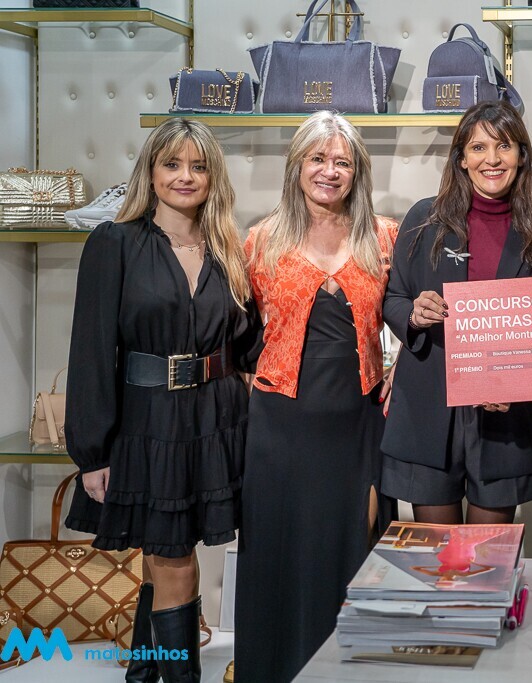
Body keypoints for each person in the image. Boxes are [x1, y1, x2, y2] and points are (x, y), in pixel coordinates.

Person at [64, 117, 258, 683]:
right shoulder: (115, 243)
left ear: (213, 176)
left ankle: (144, 674)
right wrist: (92, 452)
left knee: (163, 554)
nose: (185, 176)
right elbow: (91, 351)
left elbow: (248, 343)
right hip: (150, 424)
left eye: (198, 166)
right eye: (171, 164)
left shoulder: (228, 247)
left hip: (219, 420)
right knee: (174, 559)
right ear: (149, 173)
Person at [234, 111, 398, 683]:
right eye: (318, 159)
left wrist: (401, 368)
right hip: (279, 428)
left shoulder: (384, 237)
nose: (330, 171)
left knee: (351, 553)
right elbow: (236, 334)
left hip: (357, 425)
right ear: (297, 165)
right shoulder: (259, 241)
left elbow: (411, 314)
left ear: (358, 171)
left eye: (342, 162)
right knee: (279, 556)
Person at [381, 100, 532, 526]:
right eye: (478, 148)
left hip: (504, 416)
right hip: (429, 405)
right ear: (461, 158)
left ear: (521, 156)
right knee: (437, 555)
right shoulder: (424, 219)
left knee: (488, 558)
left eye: (503, 146)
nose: (491, 159)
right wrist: (414, 314)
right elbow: (393, 298)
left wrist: (516, 382)